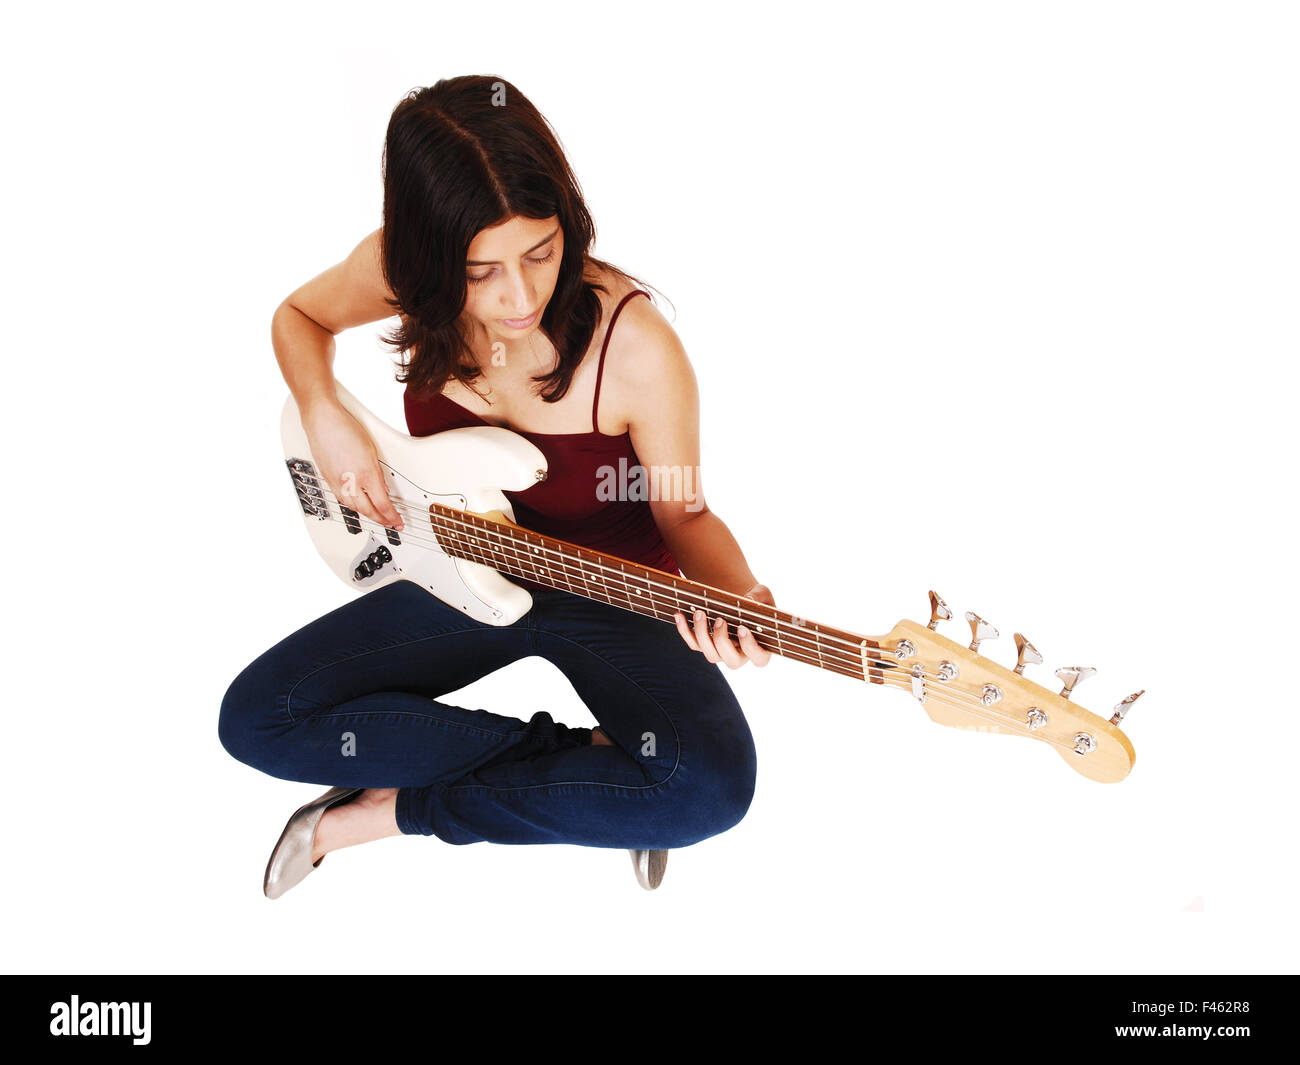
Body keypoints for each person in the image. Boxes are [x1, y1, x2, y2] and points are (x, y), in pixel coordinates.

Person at [219, 75, 774, 898]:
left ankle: (395, 811)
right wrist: (323, 410)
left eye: (542, 253)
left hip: (609, 592)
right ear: (430, 256)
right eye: (481, 271)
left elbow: (684, 510)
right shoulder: (396, 270)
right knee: (258, 718)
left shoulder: (637, 348)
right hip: (457, 570)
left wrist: (743, 596)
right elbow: (297, 318)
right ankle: (591, 776)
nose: (520, 297)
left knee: (709, 787)